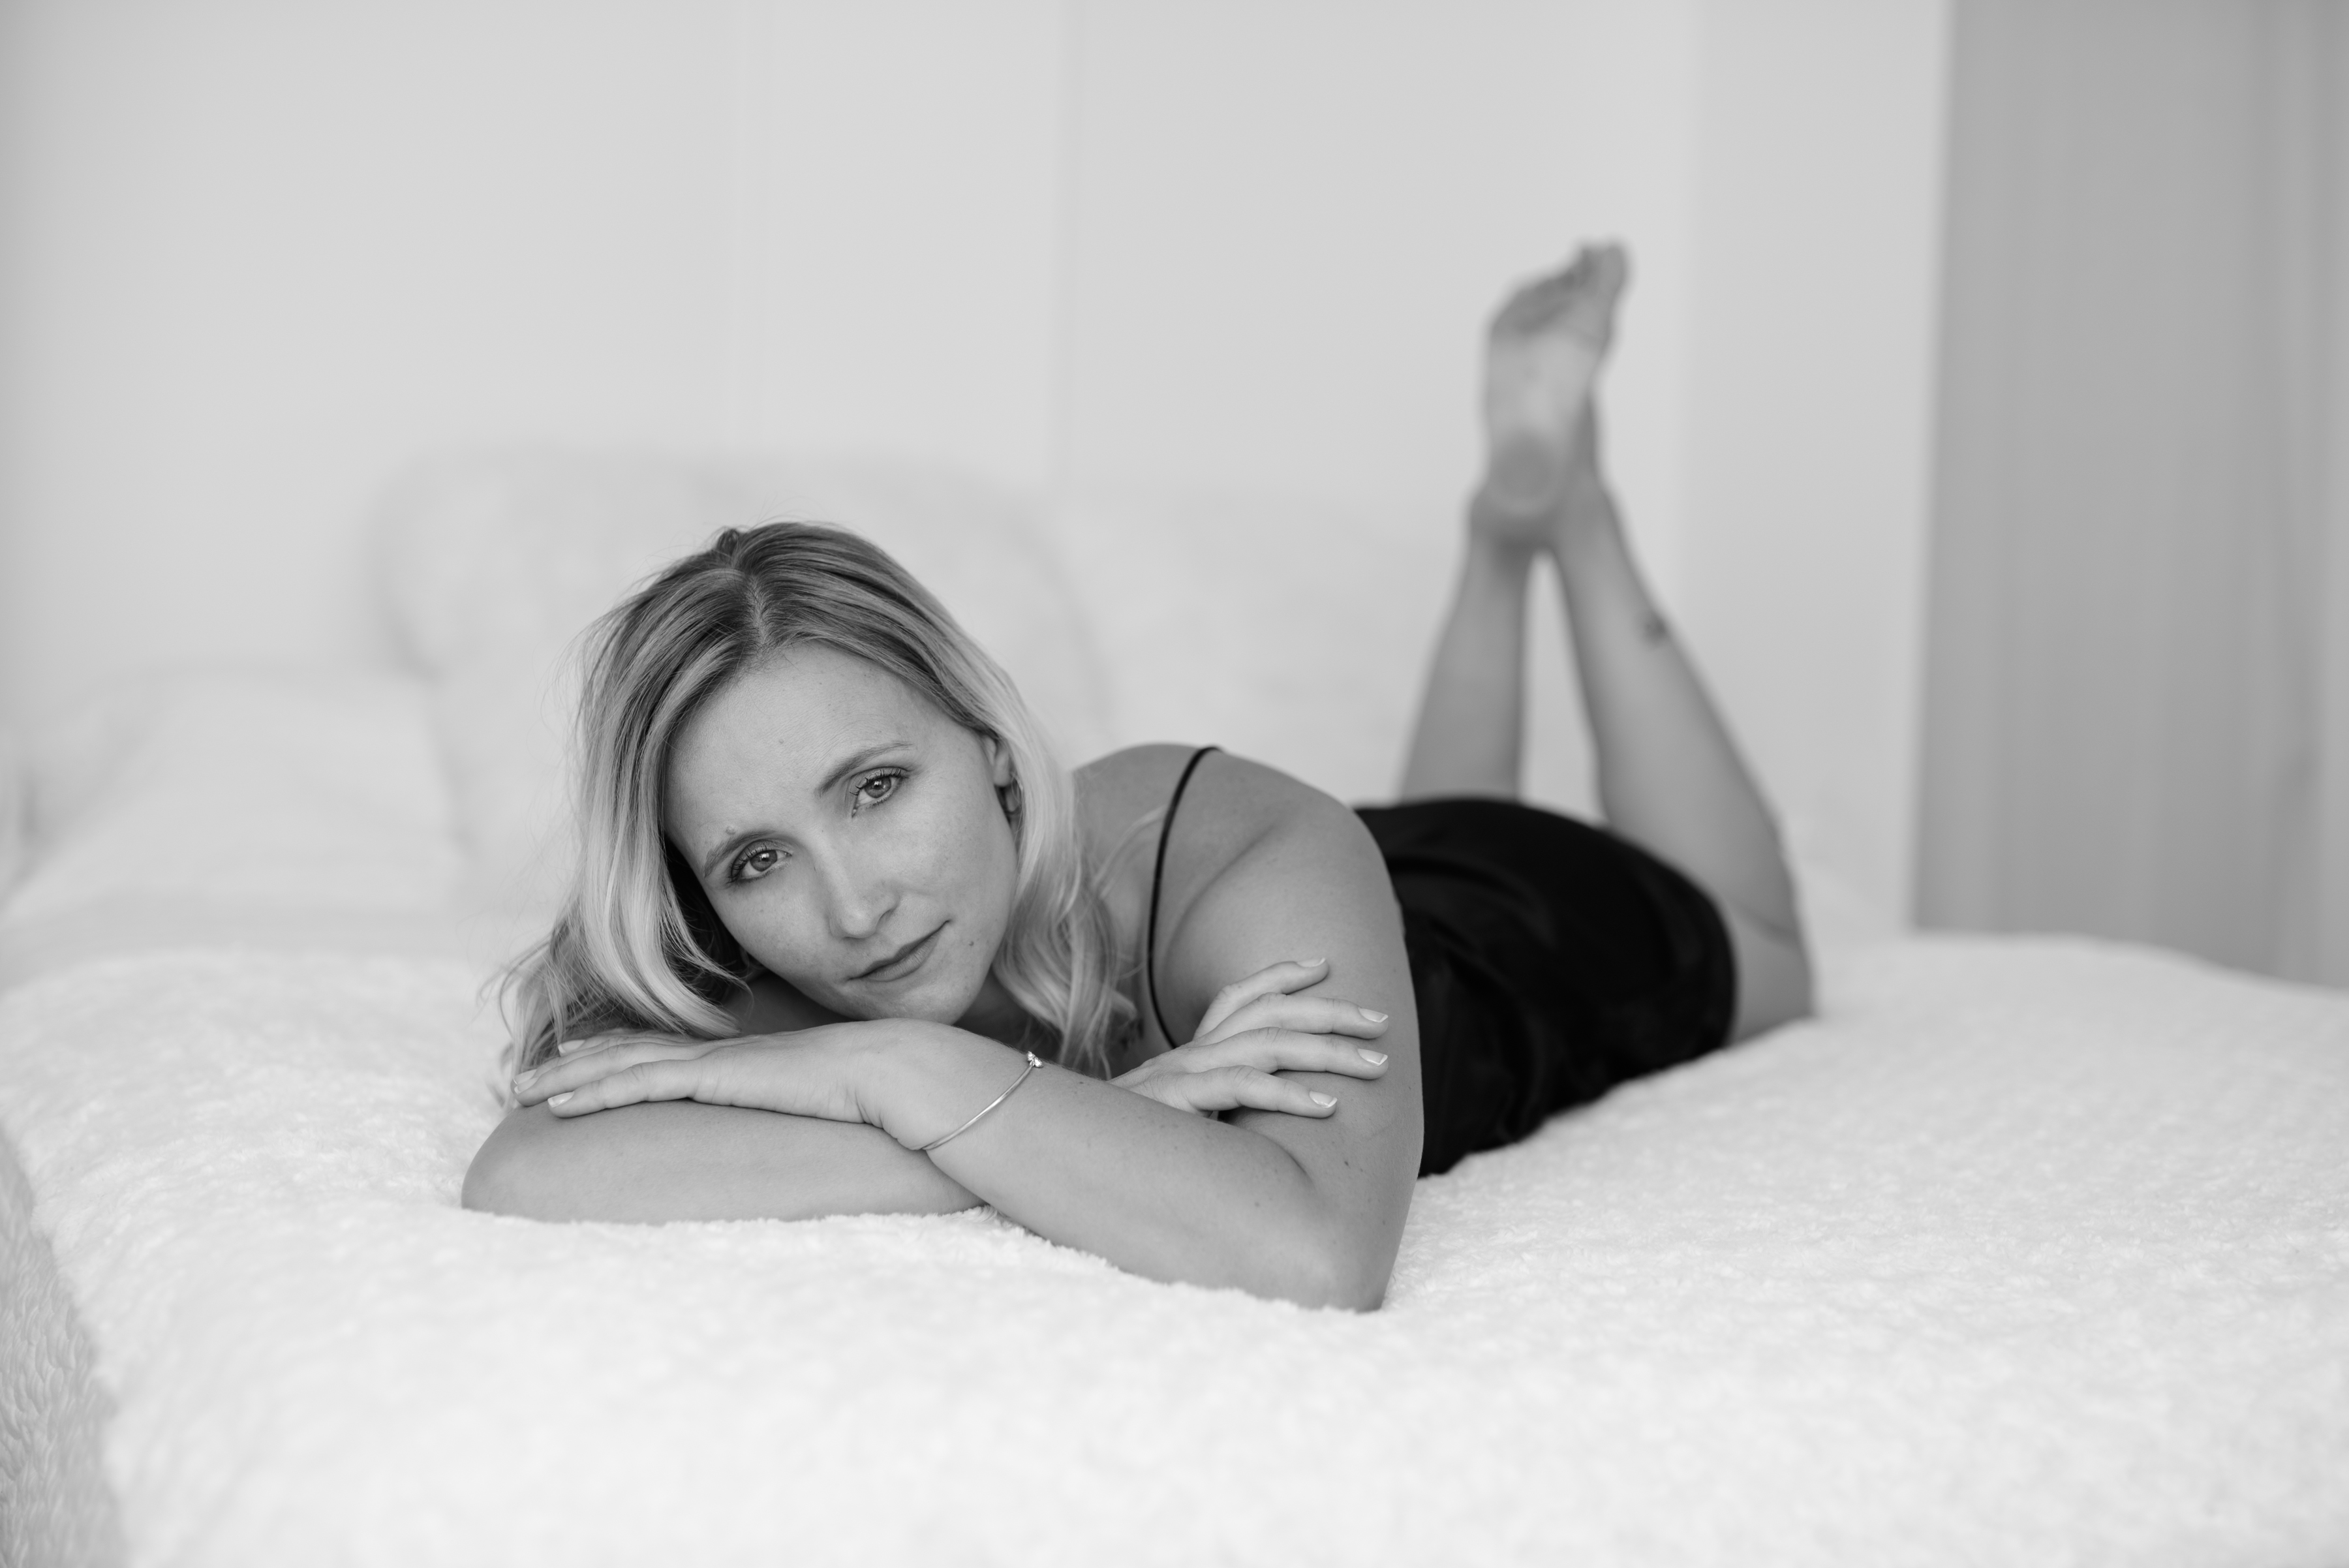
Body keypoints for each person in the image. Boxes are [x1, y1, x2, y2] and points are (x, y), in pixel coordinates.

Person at [462, 244, 1811, 1310]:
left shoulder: (1228, 840)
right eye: (757, 859)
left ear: (992, 744)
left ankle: (1565, 523)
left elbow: (1318, 1252)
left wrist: (911, 1073)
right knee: (1387, 863)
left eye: (875, 787)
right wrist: (1051, 1114)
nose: (854, 907)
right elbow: (528, 1170)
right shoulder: (747, 963)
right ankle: (1502, 544)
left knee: (1767, 955)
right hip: (1333, 901)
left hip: (1509, 940)